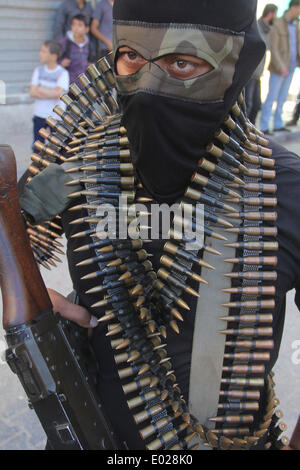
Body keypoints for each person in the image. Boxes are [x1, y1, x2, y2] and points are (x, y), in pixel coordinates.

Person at [16, 0, 300, 451]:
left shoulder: (282, 186)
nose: (148, 83)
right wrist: (30, 299)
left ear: (238, 64)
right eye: (131, 55)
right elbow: (12, 229)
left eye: (183, 62)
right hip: (97, 434)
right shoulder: (78, 166)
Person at [259, 0, 300, 135]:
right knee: (272, 97)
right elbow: (274, 47)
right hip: (279, 68)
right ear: (293, 8)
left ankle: (278, 124)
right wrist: (280, 66)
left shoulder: (296, 24)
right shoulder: (278, 23)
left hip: (292, 66)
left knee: (282, 98)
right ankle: (264, 126)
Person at [29, 40, 69, 146]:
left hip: (56, 117)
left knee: (56, 148)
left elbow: (58, 94)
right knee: (37, 147)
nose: (40, 53)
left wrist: (40, 89)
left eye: (44, 51)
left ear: (53, 56)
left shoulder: (63, 73)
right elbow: (32, 92)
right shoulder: (38, 70)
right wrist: (51, 92)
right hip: (39, 115)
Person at [245, 4, 278, 125]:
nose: (276, 17)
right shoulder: (257, 27)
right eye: (275, 14)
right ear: (270, 14)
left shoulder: (268, 30)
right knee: (248, 105)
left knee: (257, 105)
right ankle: (243, 133)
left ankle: (250, 131)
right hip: (250, 73)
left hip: (258, 73)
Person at [60, 14, 92, 86]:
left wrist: (90, 65)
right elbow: (53, 61)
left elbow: (91, 61)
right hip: (68, 86)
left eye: (79, 25)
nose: (76, 28)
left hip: (84, 86)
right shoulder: (65, 43)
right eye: (74, 25)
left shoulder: (89, 45)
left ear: (86, 29)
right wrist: (61, 64)